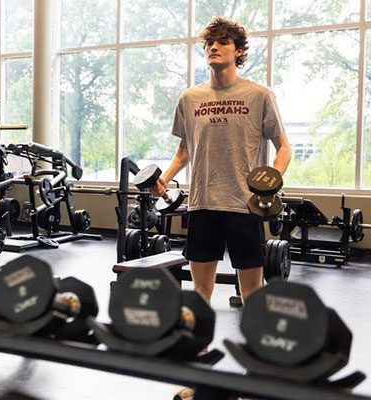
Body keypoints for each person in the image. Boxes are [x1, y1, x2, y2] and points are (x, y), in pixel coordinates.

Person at [163, 15, 291, 400]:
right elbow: (184, 150)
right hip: (201, 204)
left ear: (238, 50)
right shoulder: (190, 98)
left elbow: (284, 147)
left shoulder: (259, 95)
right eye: (209, 43)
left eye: (222, 42)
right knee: (200, 293)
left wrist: (271, 182)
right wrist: (166, 178)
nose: (214, 48)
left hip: (243, 206)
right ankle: (199, 377)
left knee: (252, 293)